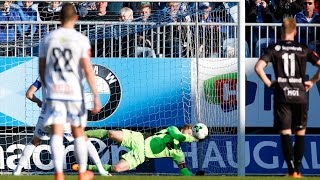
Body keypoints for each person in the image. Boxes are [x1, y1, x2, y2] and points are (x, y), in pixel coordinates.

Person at [38, 3, 101, 180]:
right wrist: (96, 96)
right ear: (76, 18)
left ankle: (59, 173)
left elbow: (42, 68)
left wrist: (48, 86)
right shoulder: (81, 39)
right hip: (74, 91)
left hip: (55, 91)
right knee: (78, 131)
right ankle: (82, 172)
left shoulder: (48, 38)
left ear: (59, 18)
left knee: (57, 132)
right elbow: (88, 69)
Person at [255, 17, 320, 178]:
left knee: (285, 132)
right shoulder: (302, 48)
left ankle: (291, 171)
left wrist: (269, 83)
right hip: (300, 95)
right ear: (295, 31)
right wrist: (312, 81)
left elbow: (258, 67)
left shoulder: (274, 48)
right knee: (300, 132)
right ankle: (298, 171)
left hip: (282, 94)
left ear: (281, 31)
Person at [13, 78, 111, 176]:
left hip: (46, 116)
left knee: (35, 141)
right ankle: (101, 169)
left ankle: (17, 170)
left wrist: (39, 102)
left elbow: (29, 94)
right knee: (84, 140)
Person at [72, 124, 201, 176]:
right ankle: (83, 133)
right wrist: (193, 138)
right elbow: (178, 136)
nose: (189, 135)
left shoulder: (178, 154)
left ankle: (90, 167)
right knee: (112, 133)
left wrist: (194, 177)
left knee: (117, 168)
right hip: (140, 139)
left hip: (141, 155)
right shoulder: (173, 129)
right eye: (189, 132)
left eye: (191, 135)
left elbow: (184, 171)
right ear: (185, 129)